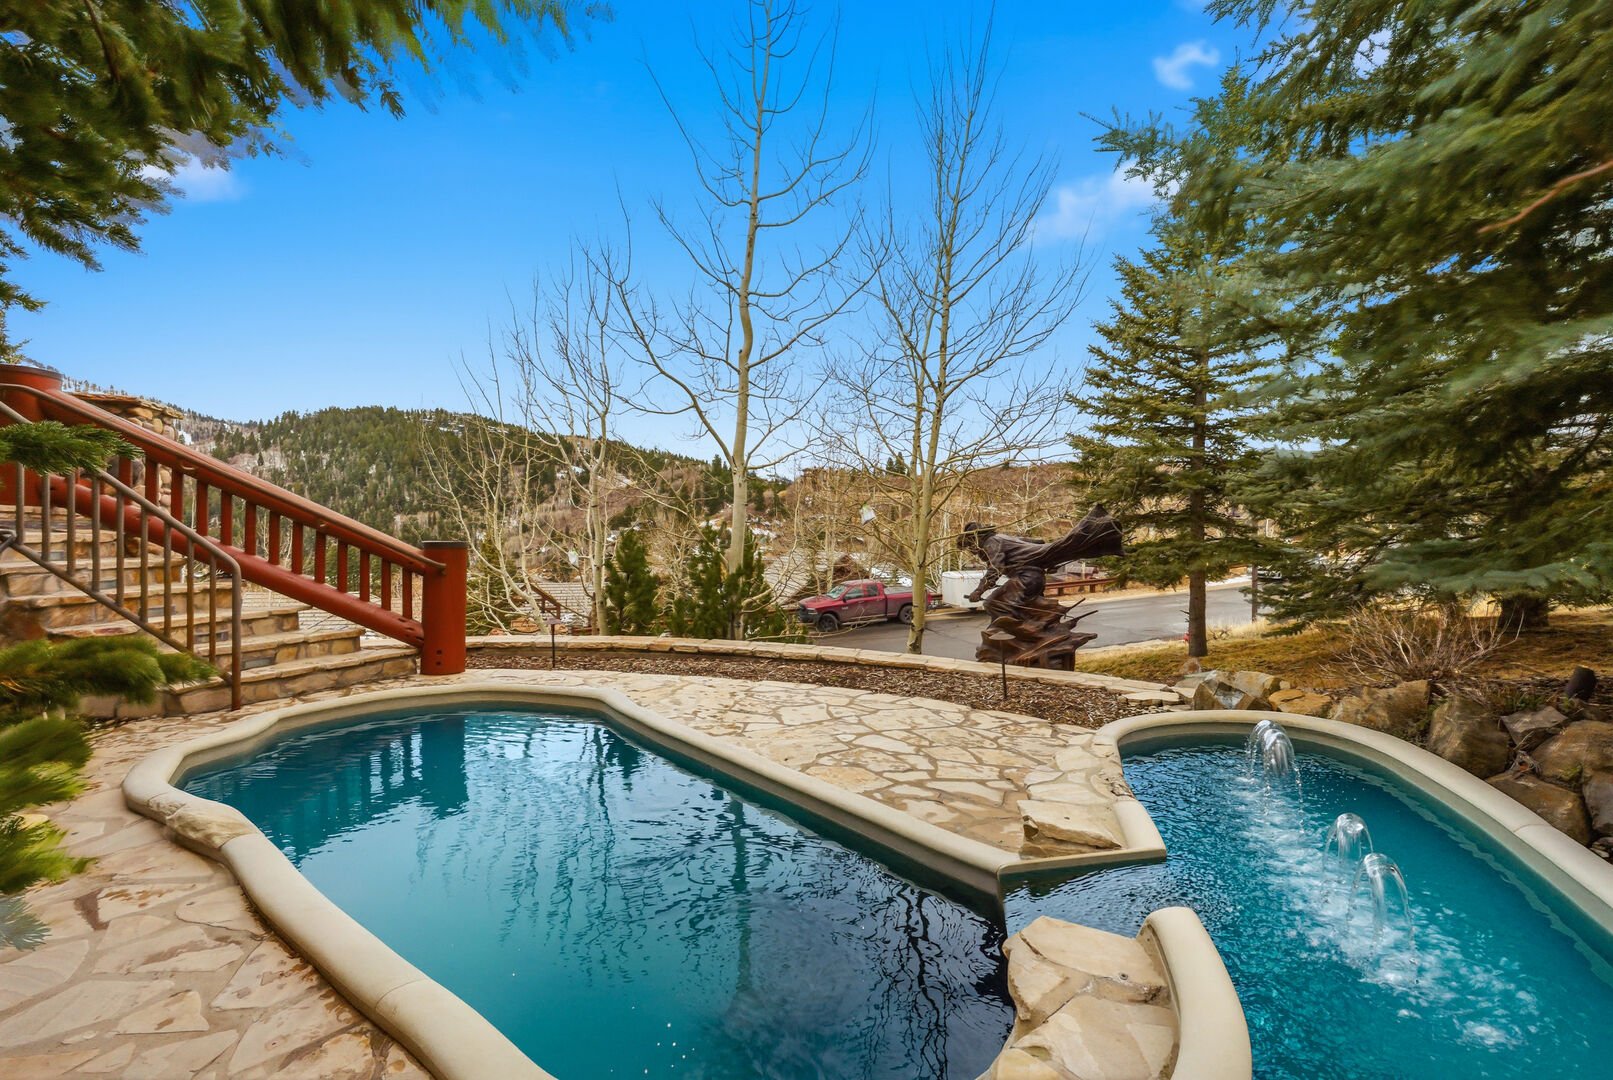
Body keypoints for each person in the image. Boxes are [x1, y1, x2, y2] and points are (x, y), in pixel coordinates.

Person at [959, 506, 1123, 625]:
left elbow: (996, 568)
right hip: (1034, 576)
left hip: (1026, 578)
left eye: (969, 545)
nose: (971, 550)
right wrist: (1046, 560)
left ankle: (1015, 633)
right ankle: (1033, 629)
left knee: (992, 604)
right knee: (1026, 609)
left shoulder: (991, 543)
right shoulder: (1002, 538)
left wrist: (979, 590)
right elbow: (1037, 542)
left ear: (975, 540)